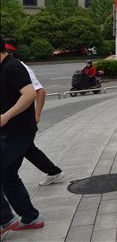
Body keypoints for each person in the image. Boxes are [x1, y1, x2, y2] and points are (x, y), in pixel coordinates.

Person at [2, 41, 65, 187]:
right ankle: (53, 171)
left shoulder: (17, 67)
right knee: (27, 149)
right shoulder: (8, 67)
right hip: (12, 124)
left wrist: (36, 115)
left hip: (17, 123)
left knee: (14, 160)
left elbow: (39, 91)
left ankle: (53, 172)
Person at [1, 38, 45, 235]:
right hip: (12, 131)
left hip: (17, 131)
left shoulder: (12, 67)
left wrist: (5, 116)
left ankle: (5, 219)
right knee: (8, 175)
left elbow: (30, 94)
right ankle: (31, 217)